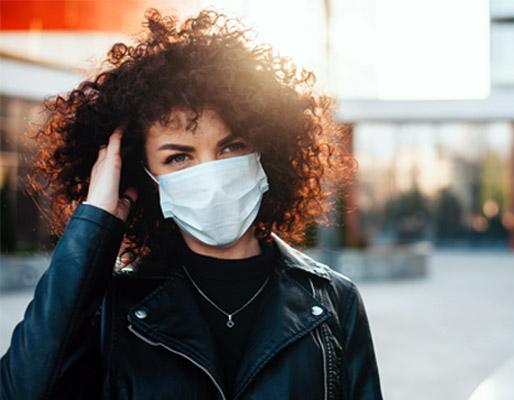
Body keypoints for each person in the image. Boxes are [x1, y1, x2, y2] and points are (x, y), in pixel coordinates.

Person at [0, 8, 382, 400]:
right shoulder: (110, 309)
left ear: (265, 153)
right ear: (145, 176)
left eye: (231, 146)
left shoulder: (334, 301)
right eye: (178, 157)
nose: (211, 175)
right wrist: (95, 222)